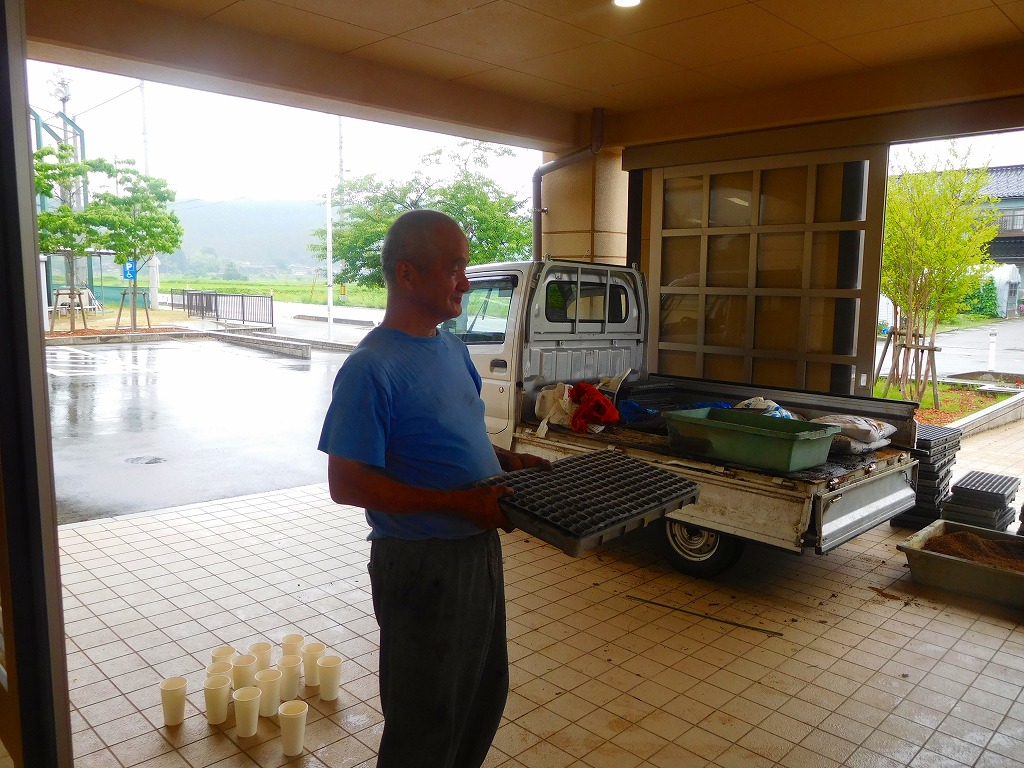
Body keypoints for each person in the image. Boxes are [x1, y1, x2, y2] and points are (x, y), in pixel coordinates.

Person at [318, 209, 548, 768]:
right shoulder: (370, 368)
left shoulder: (450, 349)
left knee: (482, 693)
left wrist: (506, 461)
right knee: (425, 720)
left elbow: (456, 433)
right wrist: (458, 503)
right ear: (407, 273)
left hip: (477, 550)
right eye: (453, 269)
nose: (465, 283)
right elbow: (347, 483)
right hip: (420, 565)